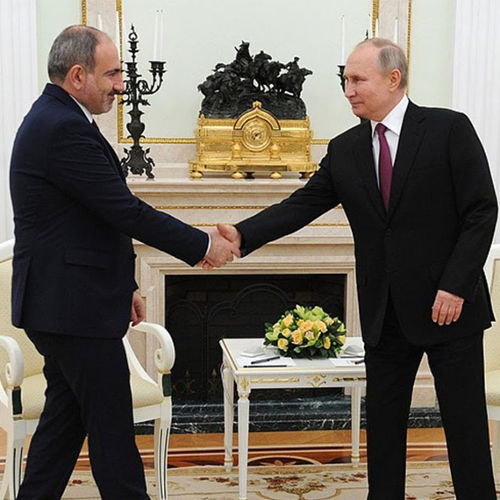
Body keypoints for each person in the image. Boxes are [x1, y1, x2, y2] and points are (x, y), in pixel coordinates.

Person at [216, 38, 498, 500]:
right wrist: (242, 236)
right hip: (385, 313)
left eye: (357, 80)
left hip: (450, 309)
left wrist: (455, 286)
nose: (348, 90)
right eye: (345, 80)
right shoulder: (345, 148)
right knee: (383, 433)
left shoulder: (449, 129)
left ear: (393, 78)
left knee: (464, 431)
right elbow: (303, 205)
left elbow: (481, 211)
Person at [9, 25, 239, 500]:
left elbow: (94, 219)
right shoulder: (60, 128)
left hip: (70, 303)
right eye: (112, 74)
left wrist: (126, 285)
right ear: (77, 75)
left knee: (61, 428)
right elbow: (124, 210)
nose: (121, 85)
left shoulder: (62, 118)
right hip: (71, 309)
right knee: (114, 438)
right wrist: (201, 245)